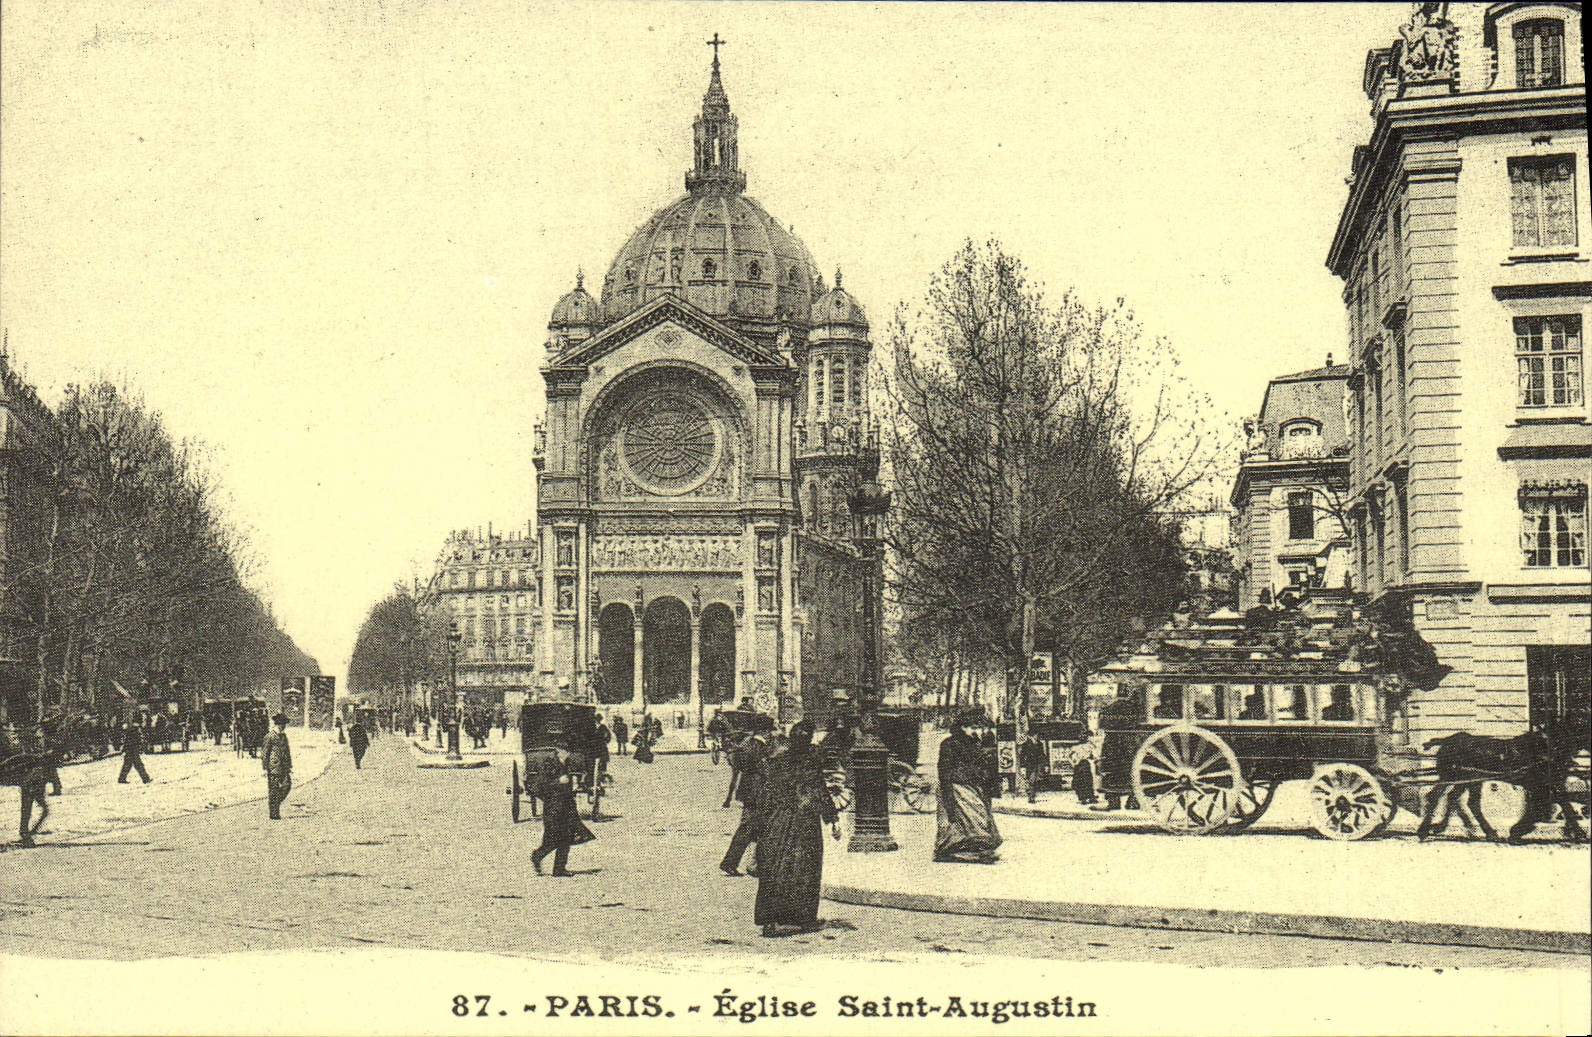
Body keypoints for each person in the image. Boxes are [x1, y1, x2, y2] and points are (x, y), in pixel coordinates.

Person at [754, 720, 839, 937]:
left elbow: (765, 793)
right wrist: (832, 819)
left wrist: (762, 823)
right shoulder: (810, 762)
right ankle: (805, 919)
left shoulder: (778, 761)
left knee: (775, 869)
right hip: (804, 822)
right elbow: (819, 791)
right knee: (806, 870)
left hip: (778, 821)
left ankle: (770, 921)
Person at [935, 710, 1002, 864]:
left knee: (977, 816)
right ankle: (957, 850)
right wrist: (948, 795)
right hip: (955, 787)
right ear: (962, 727)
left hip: (972, 786)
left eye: (977, 727)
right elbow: (944, 770)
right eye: (971, 727)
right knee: (968, 818)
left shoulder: (974, 743)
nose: (975, 731)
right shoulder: (949, 744)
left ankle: (974, 848)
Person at [531, 748, 594, 876]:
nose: (568, 753)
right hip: (553, 809)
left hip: (567, 807)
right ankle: (537, 855)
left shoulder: (567, 763)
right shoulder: (549, 764)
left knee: (566, 838)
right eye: (565, 750)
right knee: (553, 839)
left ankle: (559, 869)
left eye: (569, 751)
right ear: (558, 751)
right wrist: (557, 782)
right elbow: (538, 787)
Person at [720, 726, 769, 877]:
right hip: (757, 793)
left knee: (755, 828)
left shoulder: (748, 744)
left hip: (749, 792)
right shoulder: (757, 746)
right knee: (749, 828)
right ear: (765, 731)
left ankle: (753, 865)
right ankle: (733, 863)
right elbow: (764, 769)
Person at [262, 712, 293, 820]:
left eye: (284, 724)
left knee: (287, 785)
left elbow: (287, 751)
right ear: (278, 724)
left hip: (284, 767)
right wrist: (265, 767)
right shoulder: (270, 736)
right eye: (282, 724)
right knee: (274, 789)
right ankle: (274, 813)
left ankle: (274, 804)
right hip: (274, 767)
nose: (284, 726)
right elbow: (265, 753)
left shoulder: (283, 736)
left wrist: (289, 765)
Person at [118, 714, 152, 784]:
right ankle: (145, 779)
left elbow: (128, 740)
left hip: (130, 750)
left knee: (128, 765)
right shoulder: (135, 730)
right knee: (138, 765)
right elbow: (132, 741)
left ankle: (122, 778)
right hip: (132, 750)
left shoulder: (133, 729)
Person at [1018, 732, 1046, 804]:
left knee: (1036, 781)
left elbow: (1042, 755)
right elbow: (1022, 756)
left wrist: (1045, 765)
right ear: (1032, 736)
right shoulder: (1026, 744)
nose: (1037, 736)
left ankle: (1032, 795)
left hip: (1038, 765)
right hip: (1029, 765)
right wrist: (1022, 767)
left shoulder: (1040, 744)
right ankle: (1031, 797)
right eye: (1036, 735)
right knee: (1031, 780)